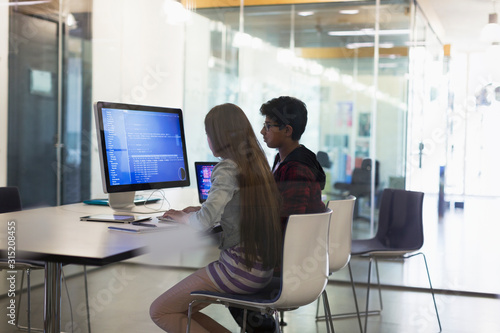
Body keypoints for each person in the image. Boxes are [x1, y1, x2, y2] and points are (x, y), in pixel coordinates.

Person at [149, 103, 282, 333]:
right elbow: (238, 211)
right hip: (261, 270)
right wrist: (200, 210)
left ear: (218, 136)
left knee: (160, 310)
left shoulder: (227, 168)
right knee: (184, 309)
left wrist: (182, 217)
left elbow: (203, 223)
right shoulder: (256, 163)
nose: (208, 140)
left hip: (238, 270)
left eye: (208, 134)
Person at [229, 96, 327, 332]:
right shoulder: (285, 161)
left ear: (287, 129)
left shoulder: (296, 169)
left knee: (233, 281)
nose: (262, 131)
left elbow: (287, 227)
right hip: (296, 258)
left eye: (268, 126)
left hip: (291, 265)